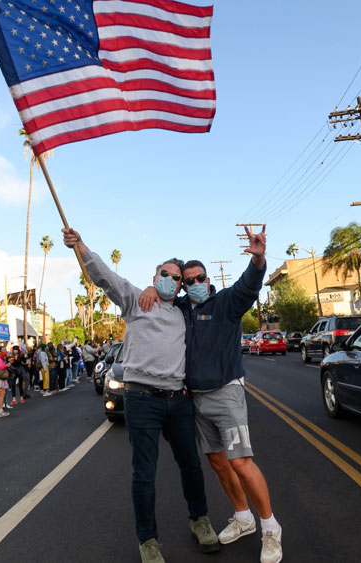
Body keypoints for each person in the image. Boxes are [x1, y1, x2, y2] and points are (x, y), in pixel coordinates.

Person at [62, 227, 218, 563]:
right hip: (141, 400)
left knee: (191, 465)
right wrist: (81, 246)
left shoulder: (184, 311)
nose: (171, 280)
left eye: (176, 278)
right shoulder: (136, 299)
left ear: (181, 286)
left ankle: (200, 520)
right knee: (144, 473)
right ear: (154, 277)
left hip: (178, 400)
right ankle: (148, 541)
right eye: (165, 275)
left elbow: (209, 295)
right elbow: (104, 277)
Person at [140, 225, 282, 563]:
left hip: (226, 394)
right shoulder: (182, 310)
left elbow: (250, 284)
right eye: (188, 281)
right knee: (218, 462)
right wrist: (150, 286)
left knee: (241, 463)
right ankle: (243, 517)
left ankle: (271, 528)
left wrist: (259, 259)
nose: (194, 283)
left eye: (199, 278)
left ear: (208, 279)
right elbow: (161, 294)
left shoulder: (226, 303)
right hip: (197, 399)